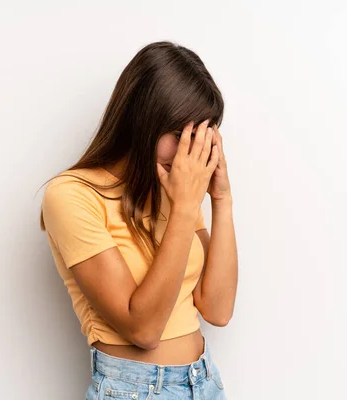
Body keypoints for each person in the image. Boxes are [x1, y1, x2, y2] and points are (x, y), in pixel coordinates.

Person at [39, 41, 238, 399]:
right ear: (143, 119)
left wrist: (221, 199)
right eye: (180, 137)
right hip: (136, 390)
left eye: (198, 139)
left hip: (204, 382)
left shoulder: (172, 189)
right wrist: (183, 207)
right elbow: (143, 330)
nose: (187, 156)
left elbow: (218, 309)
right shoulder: (70, 196)